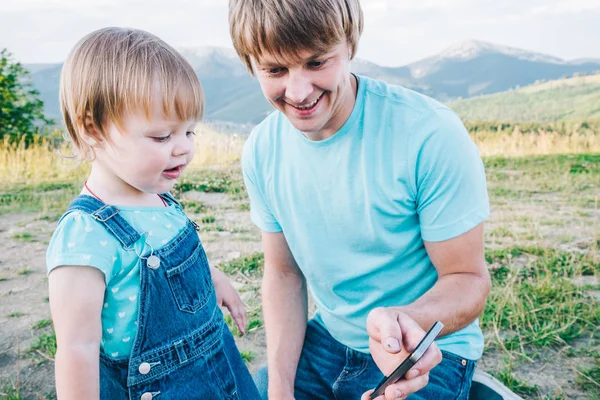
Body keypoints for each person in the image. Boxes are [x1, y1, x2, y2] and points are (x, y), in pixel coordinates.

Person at [228, 0, 492, 399]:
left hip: (421, 350)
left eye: (317, 63)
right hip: (327, 341)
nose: (298, 92)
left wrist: (402, 321)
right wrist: (280, 387)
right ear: (251, 65)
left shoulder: (428, 134)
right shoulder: (262, 150)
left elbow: (468, 280)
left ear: (349, 44)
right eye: (275, 70)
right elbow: (283, 274)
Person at [46, 27, 261, 400]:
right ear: (92, 129)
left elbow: (172, 260)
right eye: (162, 137)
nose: (183, 149)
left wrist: (213, 279)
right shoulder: (85, 237)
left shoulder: (157, 196)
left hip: (219, 371)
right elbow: (76, 350)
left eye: (190, 133)